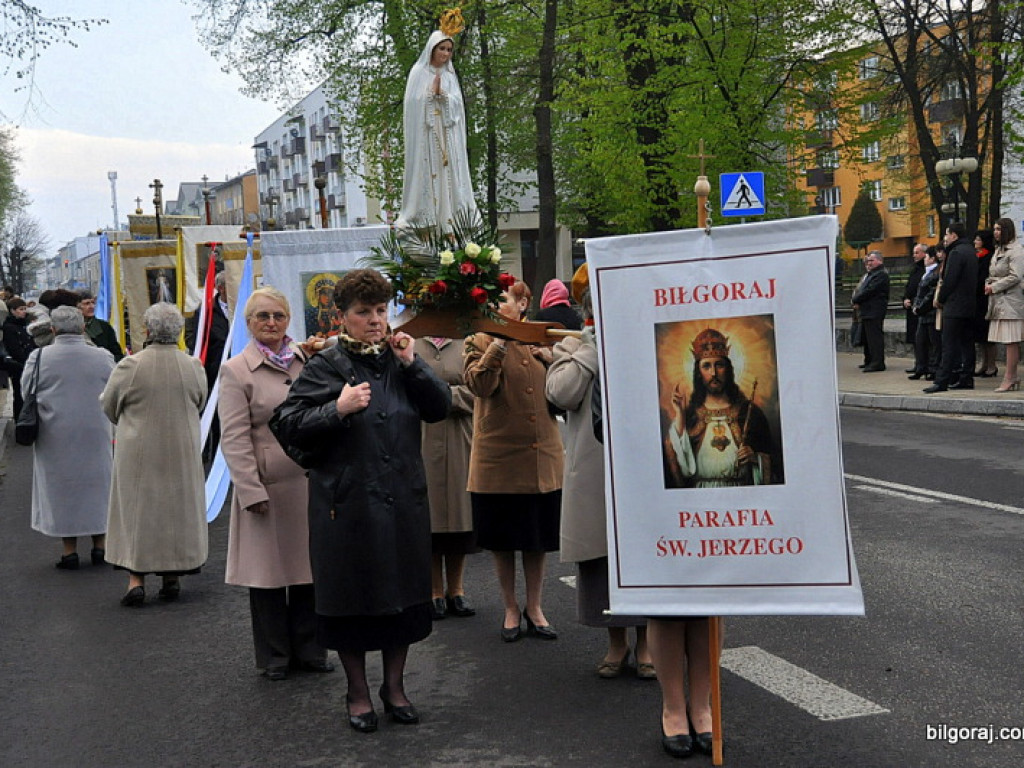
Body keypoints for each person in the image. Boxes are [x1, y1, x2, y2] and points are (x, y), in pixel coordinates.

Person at [270, 269, 450, 734]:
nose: (375, 320)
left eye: (380, 310)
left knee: (403, 598)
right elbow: (287, 423)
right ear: (342, 317)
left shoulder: (398, 358)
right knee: (352, 599)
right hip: (346, 507)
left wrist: (413, 364)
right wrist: (337, 408)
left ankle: (395, 687)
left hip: (402, 501)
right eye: (363, 312)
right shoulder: (325, 367)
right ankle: (358, 691)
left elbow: (440, 406)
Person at [218, 287, 332, 679]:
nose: (271, 323)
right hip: (266, 486)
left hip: (308, 483)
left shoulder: (308, 360)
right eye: (262, 316)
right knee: (267, 577)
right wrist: (249, 489)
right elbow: (233, 437)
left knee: (308, 571)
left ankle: (311, 650)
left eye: (278, 316)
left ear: (288, 320)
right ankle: (275, 657)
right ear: (249, 324)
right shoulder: (235, 371)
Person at [546, 289, 652, 679]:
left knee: (642, 554)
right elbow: (560, 394)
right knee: (601, 557)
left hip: (640, 468)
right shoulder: (571, 346)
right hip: (594, 469)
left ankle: (646, 645)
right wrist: (592, 348)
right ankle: (615, 643)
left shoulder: (644, 341)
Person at [464, 280, 564, 643]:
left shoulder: (543, 338)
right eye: (489, 301)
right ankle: (510, 607)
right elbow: (479, 386)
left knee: (537, 539)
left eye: (502, 300)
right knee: (503, 540)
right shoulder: (477, 339)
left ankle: (535, 607)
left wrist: (553, 363)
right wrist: (499, 342)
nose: (495, 306)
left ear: (522, 304)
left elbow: (564, 396)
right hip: (498, 459)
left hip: (541, 457)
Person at [101, 303, 208, 607]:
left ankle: (136, 580)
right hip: (181, 448)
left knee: (138, 512)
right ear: (179, 332)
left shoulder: (130, 366)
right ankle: (171, 576)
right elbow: (199, 402)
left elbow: (109, 405)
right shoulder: (192, 366)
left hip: (138, 450)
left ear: (147, 330)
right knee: (175, 511)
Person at [23, 306, 115, 569]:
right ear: (83, 327)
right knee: (98, 487)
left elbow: (27, 389)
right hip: (95, 430)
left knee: (62, 489)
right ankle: (100, 545)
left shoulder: (38, 358)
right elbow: (115, 388)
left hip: (55, 433)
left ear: (53, 329)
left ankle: (69, 550)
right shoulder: (102, 356)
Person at [413, 336, 477, 621]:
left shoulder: (469, 342)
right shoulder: (411, 341)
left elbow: (480, 390)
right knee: (429, 516)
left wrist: (443, 397)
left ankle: (457, 589)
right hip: (421, 437)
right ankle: (433, 590)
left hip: (460, 436)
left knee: (460, 517)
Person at [665, 328, 776, 488]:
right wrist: (680, 415)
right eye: (706, 366)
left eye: (719, 365)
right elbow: (679, 465)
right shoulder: (690, 415)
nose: (714, 373)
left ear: (728, 369)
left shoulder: (750, 413)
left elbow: (776, 459)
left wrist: (756, 458)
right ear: (698, 372)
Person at [395, 29, 478, 232]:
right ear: (432, 49)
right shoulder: (418, 73)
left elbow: (458, 105)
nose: (446, 54)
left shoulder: (450, 75)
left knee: (449, 176)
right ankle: (426, 219)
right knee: (430, 175)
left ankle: (453, 221)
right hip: (428, 136)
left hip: (447, 135)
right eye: (442, 48)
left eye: (449, 50)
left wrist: (444, 96)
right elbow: (413, 105)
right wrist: (430, 96)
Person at [925, 222, 978, 393]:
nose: (945, 238)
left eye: (947, 234)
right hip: (969, 304)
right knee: (967, 343)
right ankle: (966, 378)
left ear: (954, 235)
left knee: (948, 344)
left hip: (955, 305)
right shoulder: (970, 251)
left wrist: (941, 298)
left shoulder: (955, 252)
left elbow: (950, 280)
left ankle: (942, 381)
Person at [186, 271, 230, 461]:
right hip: (215, 372)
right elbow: (194, 339)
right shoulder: (206, 311)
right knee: (216, 419)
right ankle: (214, 460)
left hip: (239, 369)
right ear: (220, 288)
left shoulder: (243, 306)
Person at [984, 218, 1024, 392]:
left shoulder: (1016, 251)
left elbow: (1016, 276)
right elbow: (994, 272)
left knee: (1011, 340)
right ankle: (1011, 376)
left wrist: (994, 286)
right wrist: (989, 283)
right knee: (1006, 340)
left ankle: (1010, 377)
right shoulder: (998, 250)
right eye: (994, 229)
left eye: (999, 229)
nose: (996, 232)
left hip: (1011, 301)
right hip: (999, 300)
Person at [851, 250, 889, 372]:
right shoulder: (872, 274)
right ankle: (869, 360)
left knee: (874, 338)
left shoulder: (881, 275)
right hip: (867, 310)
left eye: (872, 260)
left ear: (879, 261)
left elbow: (870, 291)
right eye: (868, 261)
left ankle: (877, 362)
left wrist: (857, 299)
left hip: (875, 310)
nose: (869, 263)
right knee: (867, 338)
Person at [909, 248, 941, 381]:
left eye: (926, 257)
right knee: (920, 341)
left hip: (930, 313)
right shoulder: (926, 273)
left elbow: (930, 294)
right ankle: (921, 367)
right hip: (922, 314)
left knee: (933, 343)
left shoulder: (936, 273)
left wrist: (920, 307)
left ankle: (932, 369)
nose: (924, 259)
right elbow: (919, 292)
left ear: (933, 258)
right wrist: (916, 305)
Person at [1, 297, 35, 418]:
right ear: (12, 311)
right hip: (18, 366)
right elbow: (14, 349)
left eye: (25, 309)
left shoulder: (24, 324)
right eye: (21, 309)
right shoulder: (9, 327)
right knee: (20, 395)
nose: (24, 311)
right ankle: (20, 419)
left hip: (26, 365)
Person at [973, 229, 998, 377]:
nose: (975, 242)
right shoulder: (977, 256)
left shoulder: (989, 257)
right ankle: (983, 362)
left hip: (985, 298)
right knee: (980, 336)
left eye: (978, 239)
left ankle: (992, 364)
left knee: (988, 335)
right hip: (977, 299)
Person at [902, 243, 927, 375]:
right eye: (914, 252)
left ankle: (923, 364)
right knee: (914, 338)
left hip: (919, 307)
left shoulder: (925, 269)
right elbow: (909, 287)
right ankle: (918, 363)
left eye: (917, 252)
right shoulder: (914, 269)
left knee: (921, 339)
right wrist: (905, 298)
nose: (914, 255)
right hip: (910, 307)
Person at [78, 290, 124, 361]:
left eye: (93, 303)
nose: (91, 306)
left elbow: (117, 354)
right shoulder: (74, 328)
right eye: (87, 303)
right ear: (78, 307)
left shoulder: (104, 327)